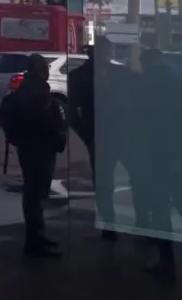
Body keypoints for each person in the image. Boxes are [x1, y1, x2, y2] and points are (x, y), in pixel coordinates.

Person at [137, 48, 182, 282]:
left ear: (146, 64)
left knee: (160, 208)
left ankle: (166, 260)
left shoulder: (142, 86)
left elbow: (132, 120)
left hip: (154, 154)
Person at [68, 37, 144, 240]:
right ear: (93, 53)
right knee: (104, 184)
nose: (107, 55)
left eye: (108, 51)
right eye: (104, 51)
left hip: (124, 136)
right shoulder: (79, 76)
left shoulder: (121, 73)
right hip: (101, 138)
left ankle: (142, 222)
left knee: (138, 178)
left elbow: (140, 97)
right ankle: (109, 225)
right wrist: (88, 136)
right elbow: (72, 113)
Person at [0, 53, 67, 257]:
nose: (46, 71)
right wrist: (57, 138)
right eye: (44, 68)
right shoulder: (36, 90)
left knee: (34, 194)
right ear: (39, 70)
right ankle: (34, 240)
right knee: (35, 195)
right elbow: (45, 120)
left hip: (30, 147)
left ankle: (37, 236)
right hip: (39, 149)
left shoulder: (27, 88)